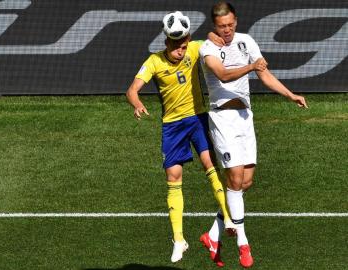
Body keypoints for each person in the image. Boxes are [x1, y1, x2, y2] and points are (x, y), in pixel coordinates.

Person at [126, 11, 266, 263]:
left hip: (198, 118)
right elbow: (132, 89)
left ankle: (228, 219)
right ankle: (179, 239)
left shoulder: (194, 49)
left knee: (211, 166)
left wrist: (213, 34)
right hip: (172, 126)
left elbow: (211, 40)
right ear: (166, 42)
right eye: (175, 45)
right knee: (173, 176)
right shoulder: (154, 61)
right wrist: (136, 103)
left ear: (188, 39)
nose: (181, 50)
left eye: (183, 44)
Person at [198, 2, 308, 268]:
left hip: (245, 117)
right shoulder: (208, 48)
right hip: (222, 117)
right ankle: (242, 243)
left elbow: (265, 75)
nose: (227, 30)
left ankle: (213, 234)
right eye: (222, 26)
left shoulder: (246, 41)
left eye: (230, 24)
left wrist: (290, 94)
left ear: (236, 20)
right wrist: (251, 67)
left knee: (245, 182)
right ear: (215, 25)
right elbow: (223, 75)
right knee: (234, 177)